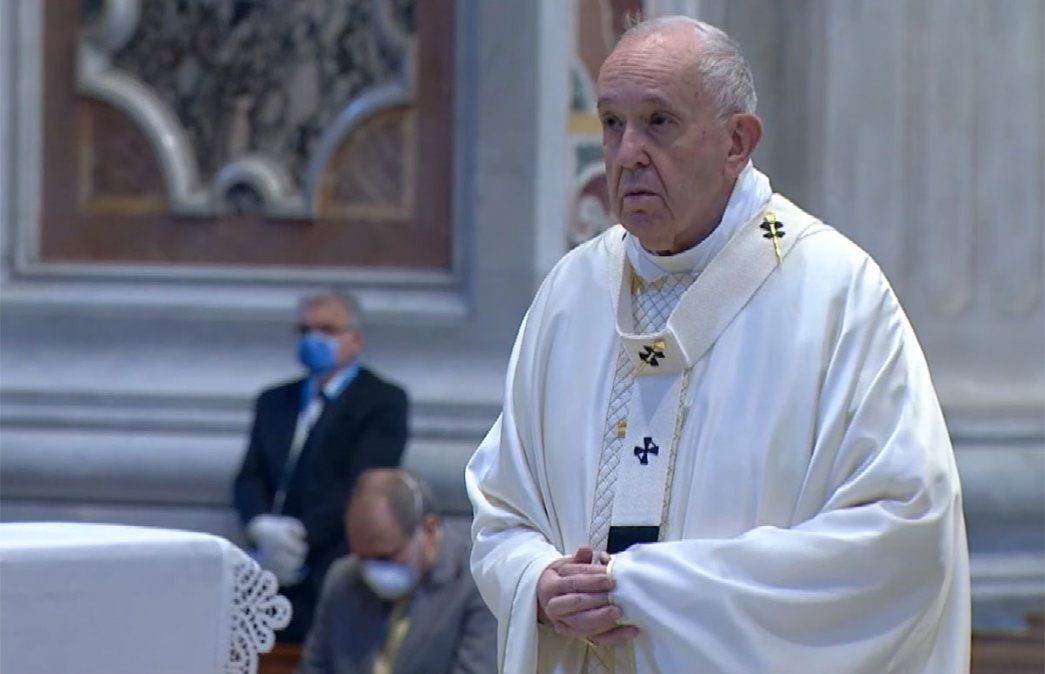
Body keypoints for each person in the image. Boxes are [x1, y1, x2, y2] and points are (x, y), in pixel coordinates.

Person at [466, 16, 969, 674]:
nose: (625, 155)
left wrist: (650, 592)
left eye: (658, 122)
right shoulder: (572, 294)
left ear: (737, 142)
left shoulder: (834, 295)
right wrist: (537, 583)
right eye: (612, 123)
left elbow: (903, 534)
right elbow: (502, 509)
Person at [234, 290, 409, 643]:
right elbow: (249, 475)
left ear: (355, 339)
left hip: (335, 566)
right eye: (304, 330)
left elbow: (363, 484)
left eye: (327, 329)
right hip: (267, 567)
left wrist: (300, 536)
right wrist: (261, 526)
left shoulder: (381, 401)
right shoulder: (274, 401)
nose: (313, 339)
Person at [298, 469, 497, 674]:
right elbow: (314, 668)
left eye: (386, 557)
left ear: (428, 530)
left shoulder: (478, 582)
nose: (371, 571)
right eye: (362, 558)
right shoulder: (342, 578)